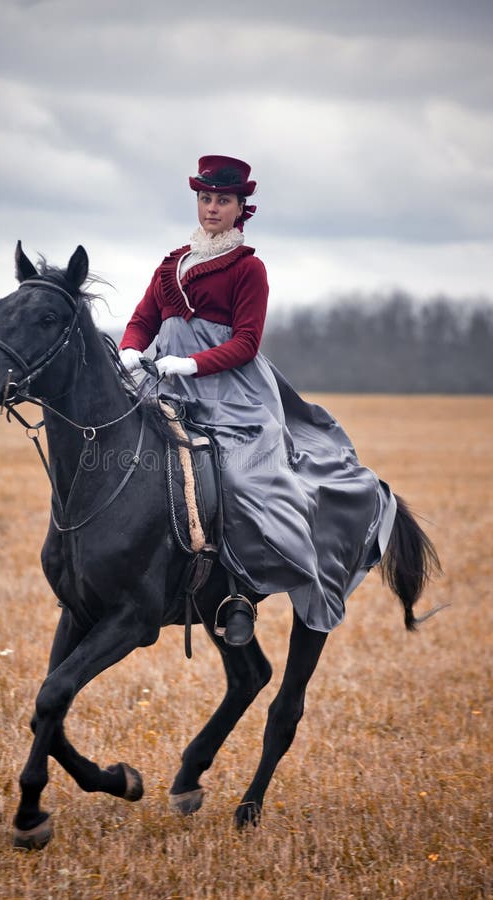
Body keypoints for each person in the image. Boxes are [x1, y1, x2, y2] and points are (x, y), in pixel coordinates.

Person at [119, 155, 396, 646]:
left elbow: (247, 341)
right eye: (205, 199)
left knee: (239, 476)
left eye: (222, 200)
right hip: (160, 380)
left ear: (240, 208)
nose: (211, 208)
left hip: (230, 391)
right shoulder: (171, 264)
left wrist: (192, 363)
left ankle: (238, 592)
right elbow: (144, 318)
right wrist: (130, 350)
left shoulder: (249, 270)